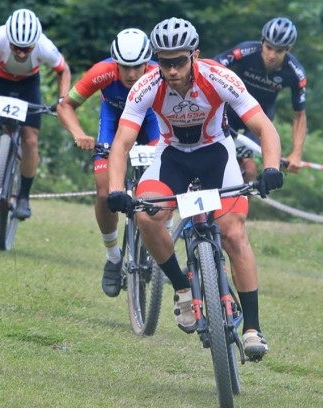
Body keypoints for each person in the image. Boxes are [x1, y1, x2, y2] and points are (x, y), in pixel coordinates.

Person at [106, 17, 284, 360]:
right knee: (147, 214)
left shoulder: (218, 77)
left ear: (195, 55)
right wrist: (117, 189)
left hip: (216, 153)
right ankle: (183, 288)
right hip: (171, 156)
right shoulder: (145, 87)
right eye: (164, 62)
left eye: (179, 61)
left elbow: (264, 126)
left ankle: (252, 328)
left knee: (232, 231)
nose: (171, 70)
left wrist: (271, 167)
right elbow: (121, 144)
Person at [56, 28, 159, 297]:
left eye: (137, 66)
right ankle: (114, 258)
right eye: (124, 66)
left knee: (161, 189)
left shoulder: (161, 75)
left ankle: (161, 245)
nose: (131, 74)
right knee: (104, 193)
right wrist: (79, 134)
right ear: (115, 62)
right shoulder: (101, 72)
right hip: (113, 125)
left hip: (150, 124)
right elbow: (65, 106)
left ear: (147, 62)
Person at [0, 8, 71, 219]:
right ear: (9, 39)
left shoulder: (44, 46)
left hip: (28, 87)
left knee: (30, 140)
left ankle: (23, 196)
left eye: (27, 49)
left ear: (36, 43)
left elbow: (64, 70)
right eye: (16, 47)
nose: (21, 53)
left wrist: (63, 100)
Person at [213, 17, 306, 181]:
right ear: (262, 41)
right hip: (232, 110)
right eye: (268, 47)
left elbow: (299, 115)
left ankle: (239, 205)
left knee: (249, 168)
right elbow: (210, 69)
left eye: (279, 51)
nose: (271, 55)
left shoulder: (295, 72)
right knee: (215, 156)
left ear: (288, 49)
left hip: (260, 118)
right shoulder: (245, 51)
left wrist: (296, 154)